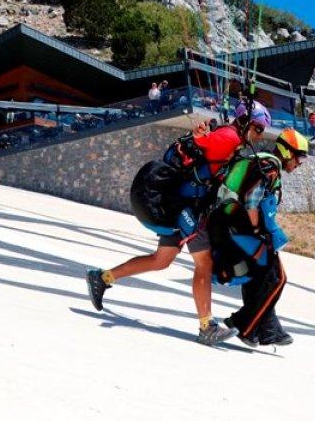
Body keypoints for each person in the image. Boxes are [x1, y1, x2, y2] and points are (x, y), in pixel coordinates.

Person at [86, 100, 273, 346]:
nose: (260, 135)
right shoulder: (229, 138)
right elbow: (203, 142)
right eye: (258, 129)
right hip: (184, 206)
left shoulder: (230, 137)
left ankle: (102, 278)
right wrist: (201, 136)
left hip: (180, 202)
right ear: (246, 123)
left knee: (161, 260)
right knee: (204, 263)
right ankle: (207, 327)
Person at [213, 128, 310, 347]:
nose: (300, 163)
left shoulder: (263, 161)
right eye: (300, 157)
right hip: (243, 230)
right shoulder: (270, 167)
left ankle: (267, 330)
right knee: (277, 278)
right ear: (287, 152)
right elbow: (251, 200)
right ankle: (243, 325)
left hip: (232, 226)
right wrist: (257, 231)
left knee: (260, 279)